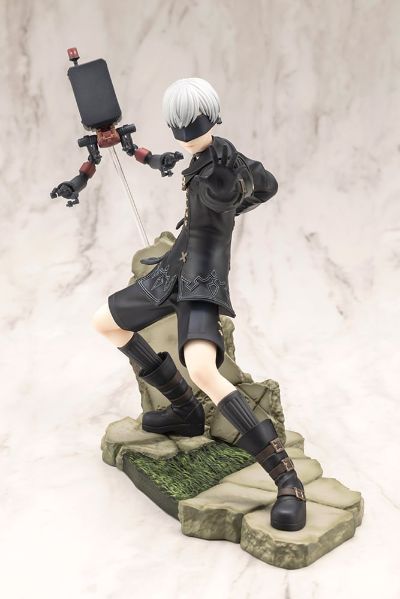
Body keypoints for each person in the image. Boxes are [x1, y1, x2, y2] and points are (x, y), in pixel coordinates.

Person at [92, 78, 306, 531]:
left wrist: (233, 199)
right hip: (172, 270)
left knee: (204, 370)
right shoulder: (204, 160)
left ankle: (287, 479)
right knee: (105, 322)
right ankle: (184, 409)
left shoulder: (226, 167)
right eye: (179, 126)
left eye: (195, 124)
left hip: (201, 281)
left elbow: (258, 186)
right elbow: (242, 187)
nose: (187, 135)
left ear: (213, 118)